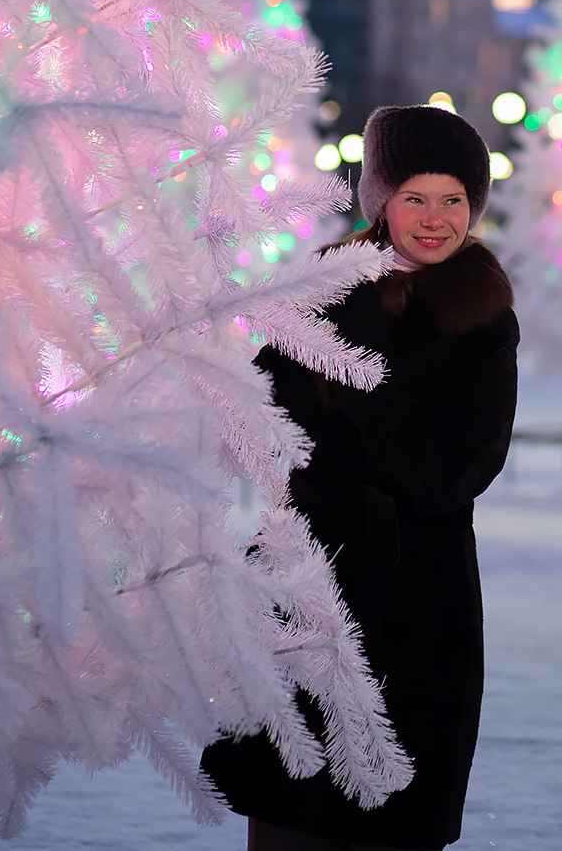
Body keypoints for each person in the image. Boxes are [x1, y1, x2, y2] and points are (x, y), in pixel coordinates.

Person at [202, 104, 519, 851]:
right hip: (302, 592)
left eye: (453, 200)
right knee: (285, 819)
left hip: (415, 613)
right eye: (415, 197)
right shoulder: (322, 292)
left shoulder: (481, 317)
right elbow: (250, 420)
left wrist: (360, 372)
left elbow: (453, 474)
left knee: (386, 824)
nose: (434, 218)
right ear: (381, 201)